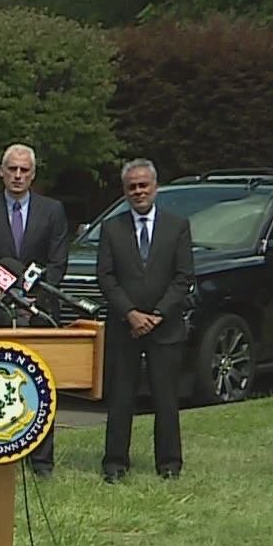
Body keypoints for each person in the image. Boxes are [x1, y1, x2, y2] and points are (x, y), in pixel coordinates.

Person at [0, 143, 72, 478]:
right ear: (1, 171)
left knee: (40, 383)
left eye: (24, 170)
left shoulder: (52, 210)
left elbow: (58, 263)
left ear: (33, 174)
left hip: (40, 312)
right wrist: (7, 295)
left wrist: (32, 296)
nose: (17, 176)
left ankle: (41, 462)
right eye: (11, 169)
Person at [96, 158, 194, 483]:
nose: (138, 192)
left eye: (143, 185)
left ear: (155, 187)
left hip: (165, 328)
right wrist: (131, 314)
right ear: (125, 191)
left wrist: (158, 315)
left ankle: (169, 464)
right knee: (121, 399)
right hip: (125, 327)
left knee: (166, 400)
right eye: (132, 187)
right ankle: (114, 464)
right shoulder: (112, 228)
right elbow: (106, 277)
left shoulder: (177, 226)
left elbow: (183, 277)